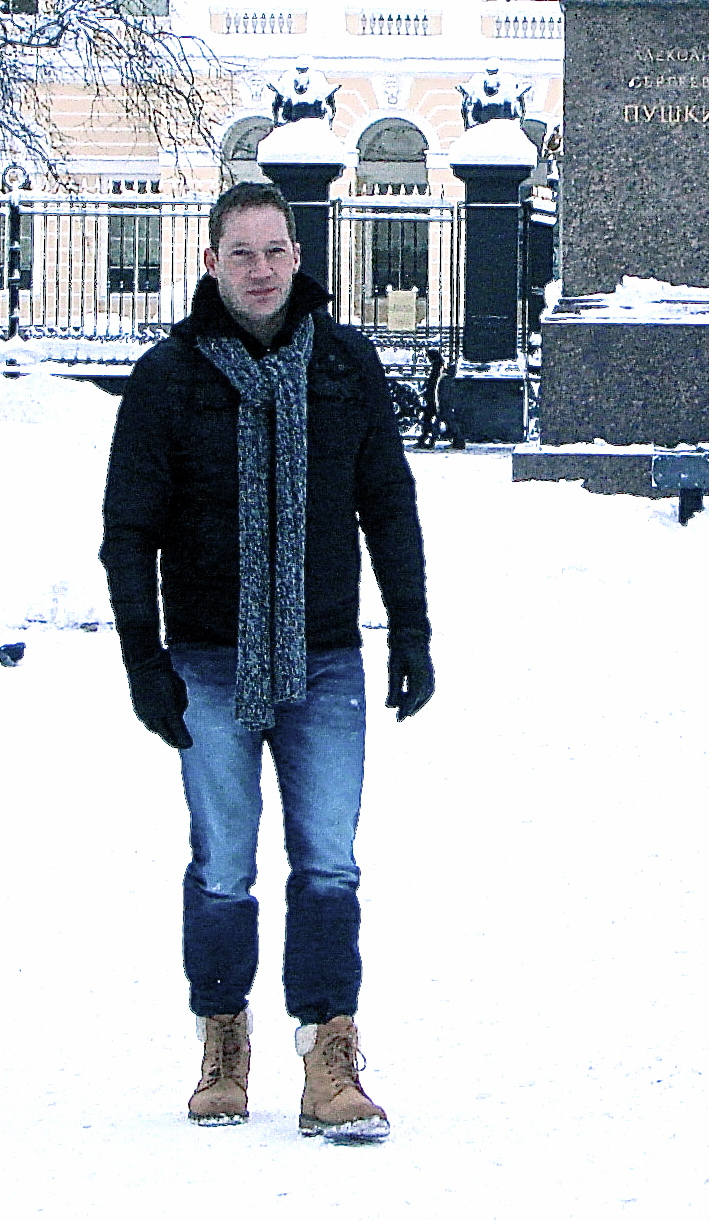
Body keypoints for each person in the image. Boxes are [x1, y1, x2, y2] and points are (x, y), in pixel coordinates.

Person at [100, 181, 434, 1144]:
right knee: (223, 864)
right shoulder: (168, 376)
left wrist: (409, 630)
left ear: (298, 256)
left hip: (324, 658)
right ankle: (223, 1040)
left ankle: (330, 1056)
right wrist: (144, 662)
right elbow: (129, 532)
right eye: (240, 252)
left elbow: (387, 503)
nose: (260, 269)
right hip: (208, 660)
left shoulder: (344, 363)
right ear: (211, 262)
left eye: (274, 250)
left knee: (328, 863)